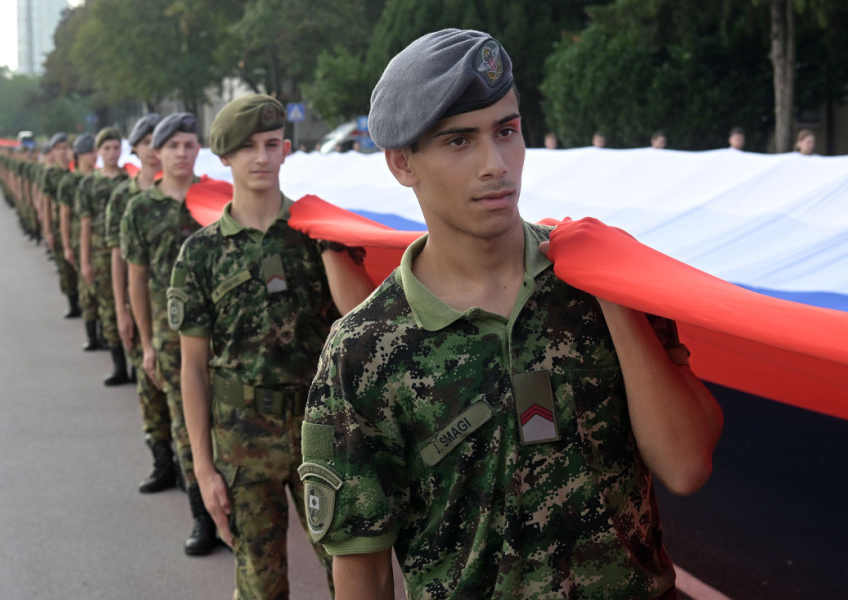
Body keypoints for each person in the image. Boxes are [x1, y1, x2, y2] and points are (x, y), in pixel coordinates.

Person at [299, 29, 724, 599]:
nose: (496, 164)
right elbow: (363, 569)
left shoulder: (602, 279)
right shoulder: (363, 349)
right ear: (402, 163)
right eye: (459, 142)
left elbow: (686, 465)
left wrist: (614, 296)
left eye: (507, 131)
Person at [170, 94, 373, 599]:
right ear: (225, 159)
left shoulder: (315, 233)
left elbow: (359, 320)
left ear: (285, 150)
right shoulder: (201, 253)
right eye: (247, 148)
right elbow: (192, 369)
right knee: (261, 585)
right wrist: (203, 466)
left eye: (270, 144)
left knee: (352, 573)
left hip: (320, 430)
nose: (261, 157)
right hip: (243, 441)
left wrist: (328, 244)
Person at [120, 112, 212, 555]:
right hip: (171, 338)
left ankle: (232, 515)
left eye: (189, 144)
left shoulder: (215, 199)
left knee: (228, 428)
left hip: (222, 337)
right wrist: (146, 340)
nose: (182, 152)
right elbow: (137, 279)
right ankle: (202, 519)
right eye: (173, 145)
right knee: (185, 427)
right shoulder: (140, 208)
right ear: (158, 151)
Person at [106, 114, 176, 493]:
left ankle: (185, 467)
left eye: (157, 140)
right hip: (145, 305)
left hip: (181, 313)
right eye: (146, 141)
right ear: (137, 147)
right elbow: (120, 260)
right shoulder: (126, 198)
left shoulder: (185, 195)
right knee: (150, 390)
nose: (153, 148)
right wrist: (121, 310)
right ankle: (162, 462)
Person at [77, 127, 131, 385]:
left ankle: (137, 366)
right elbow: (85, 225)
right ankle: (119, 366)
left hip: (129, 253)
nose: (112, 153)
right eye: (106, 148)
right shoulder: (89, 184)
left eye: (116, 147)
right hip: (100, 255)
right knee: (110, 309)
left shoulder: (130, 181)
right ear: (98, 151)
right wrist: (85, 261)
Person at [58, 134, 101, 347]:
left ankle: (104, 334)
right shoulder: (70, 181)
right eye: (89, 153)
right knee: (86, 290)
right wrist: (66, 245)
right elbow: (64, 215)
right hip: (79, 241)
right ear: (79, 156)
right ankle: (92, 336)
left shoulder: (102, 179)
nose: (93, 156)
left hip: (102, 244)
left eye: (95, 151)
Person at [39, 133, 81, 318]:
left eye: (66, 148)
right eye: (59, 149)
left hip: (79, 227)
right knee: (65, 268)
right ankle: (72, 302)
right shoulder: (51, 174)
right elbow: (46, 203)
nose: (63, 152)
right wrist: (47, 230)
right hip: (59, 226)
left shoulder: (78, 172)